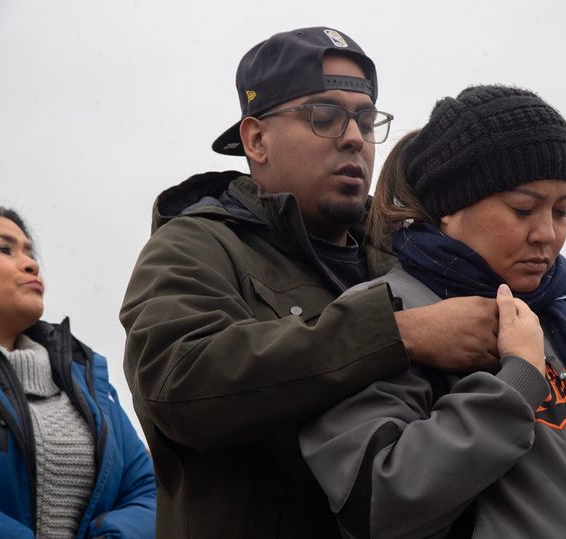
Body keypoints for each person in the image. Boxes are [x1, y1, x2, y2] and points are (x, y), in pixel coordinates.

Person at [300, 85, 566, 538]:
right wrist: (517, 383)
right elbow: (377, 507)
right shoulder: (383, 317)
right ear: (448, 207)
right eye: (523, 208)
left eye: (562, 211)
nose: (546, 233)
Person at [119, 27, 498, 538]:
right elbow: (179, 384)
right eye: (324, 116)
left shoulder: (408, 258)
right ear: (256, 140)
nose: (354, 137)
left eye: (366, 120)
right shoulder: (195, 245)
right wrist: (400, 333)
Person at [0, 206, 156, 538]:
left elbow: (146, 490)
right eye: (4, 249)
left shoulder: (89, 382)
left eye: (30, 253)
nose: (31, 264)